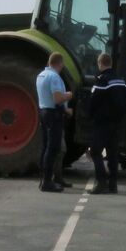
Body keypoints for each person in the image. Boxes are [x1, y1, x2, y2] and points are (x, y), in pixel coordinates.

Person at [88, 53, 126, 194]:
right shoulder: (121, 81)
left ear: (100, 63)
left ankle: (101, 182)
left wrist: (90, 115)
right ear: (111, 63)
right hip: (116, 123)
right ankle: (113, 185)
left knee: (95, 151)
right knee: (112, 154)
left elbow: (93, 101)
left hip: (102, 123)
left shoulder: (102, 80)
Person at [36, 52, 74, 193]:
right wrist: (69, 95)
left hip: (44, 112)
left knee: (46, 146)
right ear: (60, 63)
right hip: (54, 115)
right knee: (53, 148)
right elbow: (57, 99)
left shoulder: (41, 75)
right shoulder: (54, 77)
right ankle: (47, 182)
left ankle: (44, 179)